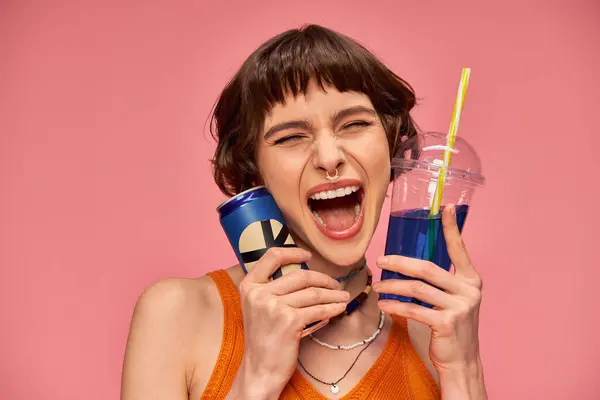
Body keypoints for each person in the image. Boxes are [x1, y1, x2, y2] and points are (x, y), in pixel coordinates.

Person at [120, 24, 487, 400]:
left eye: (355, 124)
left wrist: (463, 370)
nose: (329, 158)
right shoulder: (175, 315)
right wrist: (258, 376)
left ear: (392, 145)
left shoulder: (430, 327)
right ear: (254, 169)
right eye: (291, 137)